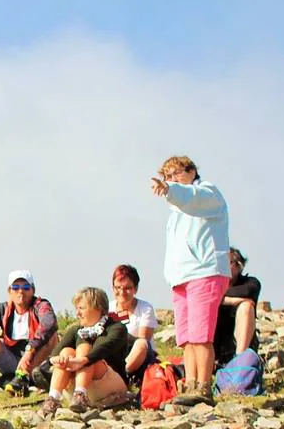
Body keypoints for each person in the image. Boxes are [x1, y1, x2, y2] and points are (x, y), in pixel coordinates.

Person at [152, 155, 230, 406]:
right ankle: (190, 382)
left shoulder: (208, 193)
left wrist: (171, 189)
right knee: (186, 336)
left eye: (176, 174)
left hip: (204, 271)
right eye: (168, 177)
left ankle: (203, 386)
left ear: (192, 171)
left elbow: (193, 199)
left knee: (201, 335)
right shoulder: (176, 212)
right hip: (182, 277)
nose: (172, 180)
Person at [39, 287, 130, 416]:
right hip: (78, 386)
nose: (78, 313)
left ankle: (81, 394)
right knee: (66, 351)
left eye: (81, 308)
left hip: (109, 385)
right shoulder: (76, 330)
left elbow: (106, 347)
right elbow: (54, 355)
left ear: (97, 308)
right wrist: (60, 359)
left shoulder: (116, 328)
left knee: (85, 349)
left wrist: (83, 360)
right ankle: (54, 398)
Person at [0, 270, 59, 397]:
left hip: (36, 361)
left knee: (52, 336)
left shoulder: (41, 305)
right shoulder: (3, 309)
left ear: (33, 290)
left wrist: (30, 350)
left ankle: (24, 377)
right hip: (12, 360)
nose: (20, 291)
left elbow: (49, 324)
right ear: (9, 291)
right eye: (15, 287)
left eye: (26, 287)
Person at [108, 264, 157, 384]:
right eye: (118, 288)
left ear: (136, 288)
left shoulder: (145, 308)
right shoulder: (108, 308)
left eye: (127, 288)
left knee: (141, 343)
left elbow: (143, 338)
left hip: (140, 355)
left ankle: (122, 375)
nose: (122, 292)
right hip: (115, 352)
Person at [215, 248, 261, 366]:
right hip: (218, 342)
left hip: (240, 341)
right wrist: (230, 301)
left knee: (246, 306)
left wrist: (221, 299)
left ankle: (240, 361)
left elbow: (248, 290)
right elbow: (208, 295)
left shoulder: (251, 282)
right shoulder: (214, 284)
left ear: (239, 265)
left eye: (228, 263)